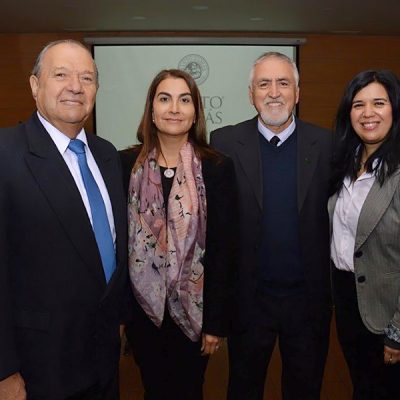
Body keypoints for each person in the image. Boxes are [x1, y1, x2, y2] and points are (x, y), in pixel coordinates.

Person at [0, 40, 127, 400]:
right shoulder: (6, 155)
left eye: (87, 77)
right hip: (38, 369)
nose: (76, 86)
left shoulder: (106, 155)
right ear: (34, 85)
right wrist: (4, 370)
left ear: (96, 90)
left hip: (103, 361)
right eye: (61, 75)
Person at [210, 52, 332, 400]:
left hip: (307, 301)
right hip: (250, 299)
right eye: (264, 84)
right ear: (251, 94)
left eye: (283, 83)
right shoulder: (224, 143)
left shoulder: (327, 145)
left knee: (305, 389)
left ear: (298, 92)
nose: (274, 92)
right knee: (243, 389)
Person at [119, 69, 237, 400]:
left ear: (196, 111)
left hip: (195, 312)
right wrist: (123, 315)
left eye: (184, 100)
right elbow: (120, 248)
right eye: (165, 98)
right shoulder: (126, 164)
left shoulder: (216, 167)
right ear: (151, 110)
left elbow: (224, 249)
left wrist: (215, 322)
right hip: (144, 314)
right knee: (152, 390)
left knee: (190, 390)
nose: (174, 108)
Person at [329, 70, 400, 399]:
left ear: (394, 110)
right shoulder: (344, 162)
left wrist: (397, 332)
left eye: (379, 103)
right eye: (358, 104)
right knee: (361, 384)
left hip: (388, 310)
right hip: (347, 299)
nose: (368, 112)